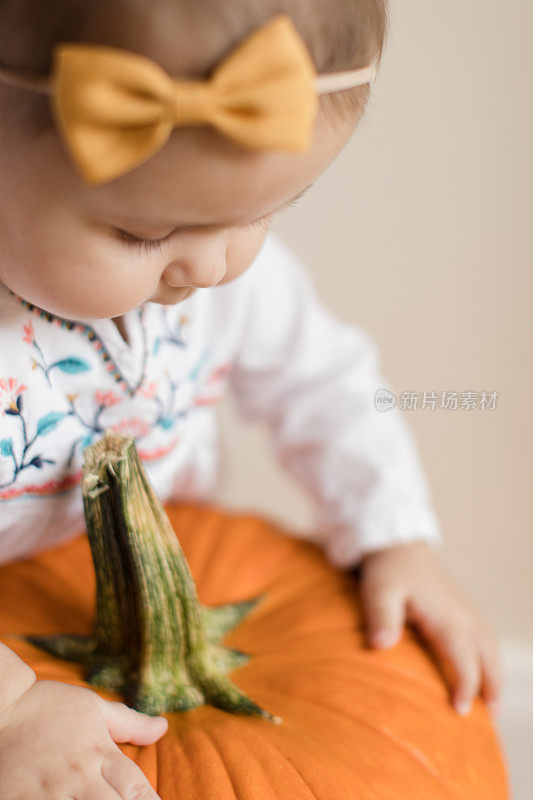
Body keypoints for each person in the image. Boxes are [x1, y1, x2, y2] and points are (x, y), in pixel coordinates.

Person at [0, 2, 502, 798]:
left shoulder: (226, 272)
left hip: (138, 587)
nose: (211, 264)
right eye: (141, 232)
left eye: (261, 213)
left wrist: (391, 532)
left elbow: (326, 382)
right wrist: (12, 709)